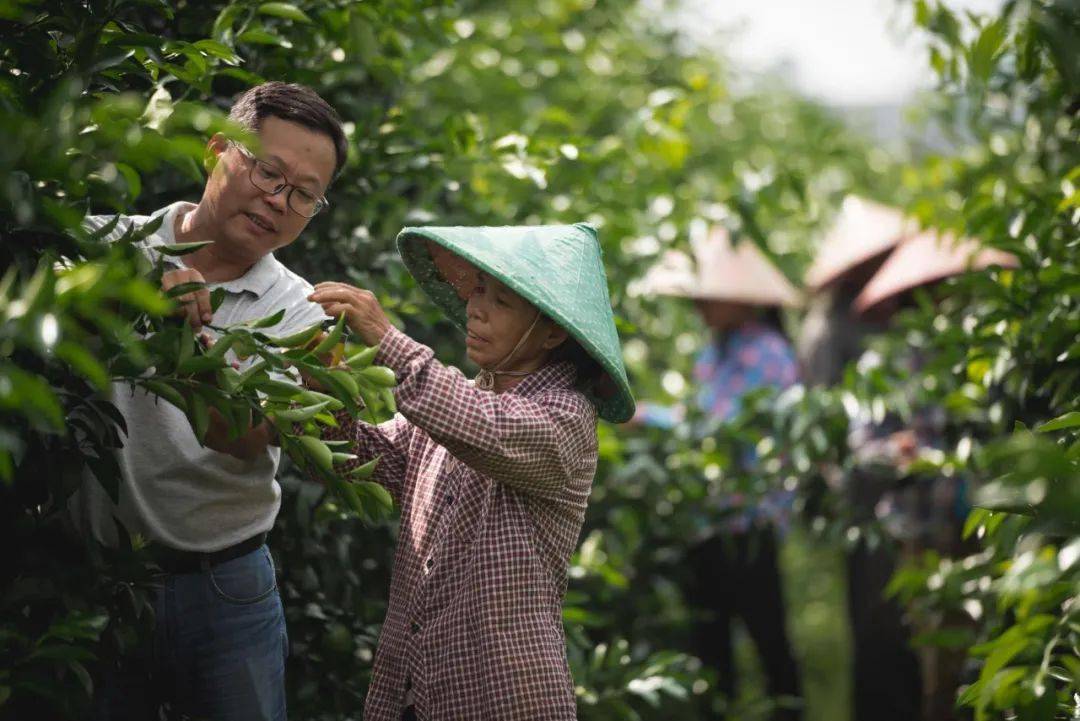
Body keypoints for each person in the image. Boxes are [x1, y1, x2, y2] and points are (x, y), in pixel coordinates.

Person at [71, 81, 346, 721]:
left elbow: (245, 436)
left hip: (224, 588)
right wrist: (131, 290)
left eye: (303, 195)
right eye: (268, 171)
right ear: (218, 150)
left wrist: (182, 346)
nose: (278, 201)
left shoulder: (304, 315)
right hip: (91, 578)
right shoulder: (101, 247)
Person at [306, 223, 634, 720]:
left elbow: (480, 424)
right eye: (478, 290)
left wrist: (385, 338)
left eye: (501, 302)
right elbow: (365, 461)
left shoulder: (566, 421)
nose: (475, 309)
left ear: (551, 331)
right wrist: (322, 381)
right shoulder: (460, 399)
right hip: (412, 690)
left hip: (500, 697)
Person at [635, 227, 803, 721]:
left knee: (768, 642)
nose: (699, 306)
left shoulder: (765, 352)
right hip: (709, 519)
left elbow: (721, 430)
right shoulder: (715, 350)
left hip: (747, 521)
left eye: (708, 296)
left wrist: (650, 417)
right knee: (712, 647)